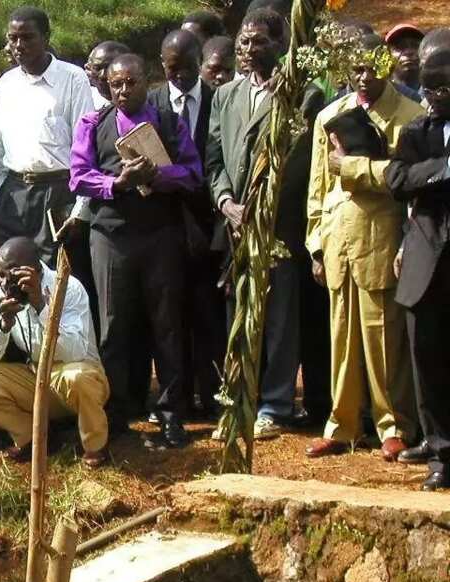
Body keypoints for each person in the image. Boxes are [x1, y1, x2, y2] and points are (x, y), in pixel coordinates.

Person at [71, 53, 201, 448]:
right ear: (107, 86)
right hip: (111, 237)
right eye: (116, 84)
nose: (124, 90)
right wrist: (118, 182)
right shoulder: (94, 124)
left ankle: (169, 414)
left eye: (132, 82)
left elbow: (193, 173)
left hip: (161, 235)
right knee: (114, 325)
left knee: (167, 325)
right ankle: (117, 411)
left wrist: (159, 175)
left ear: (149, 81)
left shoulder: (167, 122)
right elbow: (78, 177)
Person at [208, 9, 327, 439]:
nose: (246, 50)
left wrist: (261, 209)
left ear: (280, 45)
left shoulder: (304, 95)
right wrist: (226, 203)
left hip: (280, 226)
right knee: (238, 313)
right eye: (242, 41)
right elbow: (215, 158)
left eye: (258, 42)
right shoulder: (225, 96)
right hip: (235, 225)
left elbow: (300, 166)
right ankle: (239, 398)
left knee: (277, 318)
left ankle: (275, 404)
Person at [305, 34, 422, 462]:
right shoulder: (330, 117)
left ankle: (394, 425)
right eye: (355, 69)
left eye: (372, 67)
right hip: (338, 239)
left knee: (383, 337)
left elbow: (405, 178)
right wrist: (316, 244)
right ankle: (342, 425)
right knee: (341, 337)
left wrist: (351, 167)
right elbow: (318, 187)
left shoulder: (412, 115)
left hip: (383, 236)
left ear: (386, 65)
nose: (364, 76)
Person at [0, 236, 110, 465]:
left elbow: (74, 352)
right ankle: (32, 438)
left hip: (75, 378)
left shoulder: (68, 286)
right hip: (36, 378)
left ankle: (95, 446)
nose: (5, 281)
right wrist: (4, 325)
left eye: (14, 274)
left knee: (77, 377)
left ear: (36, 270)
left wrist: (41, 306)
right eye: (0, 274)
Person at [385, 47, 450, 489]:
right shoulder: (416, 131)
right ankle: (440, 450)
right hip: (425, 262)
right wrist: (445, 168)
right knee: (426, 358)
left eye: (441, 88)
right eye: (426, 88)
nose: (432, 97)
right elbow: (396, 180)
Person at [152, 28, 223, 418]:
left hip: (206, 220)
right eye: (172, 68)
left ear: (201, 63)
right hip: (161, 223)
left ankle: (211, 395)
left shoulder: (218, 100)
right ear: (163, 64)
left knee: (205, 312)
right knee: (168, 315)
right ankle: (174, 399)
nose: (179, 76)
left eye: (188, 68)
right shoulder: (152, 103)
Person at [0, 6, 93, 264]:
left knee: (57, 276)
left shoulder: (73, 78)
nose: (18, 45)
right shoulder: (7, 83)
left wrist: (81, 208)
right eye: (13, 38)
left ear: (46, 37)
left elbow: (86, 146)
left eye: (27, 37)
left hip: (57, 192)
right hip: (13, 193)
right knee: (11, 273)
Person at [84, 41, 130, 109]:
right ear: (88, 68)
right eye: (97, 68)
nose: (103, 75)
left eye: (110, 68)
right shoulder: (82, 100)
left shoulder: (147, 105)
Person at [384, 24, 425, 101]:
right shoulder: (380, 90)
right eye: (400, 47)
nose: (408, 52)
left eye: (415, 46)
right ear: (387, 54)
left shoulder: (435, 90)